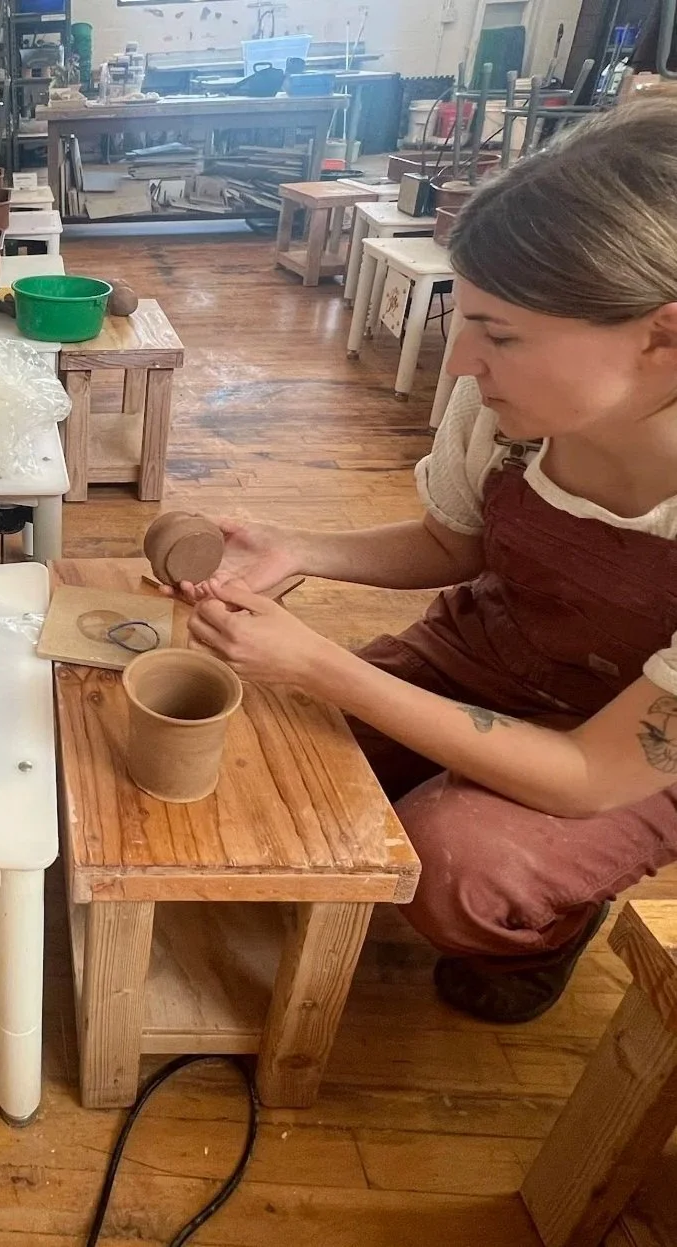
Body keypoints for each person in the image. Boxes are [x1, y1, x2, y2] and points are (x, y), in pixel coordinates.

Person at [183, 97, 677, 1025]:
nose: (459, 363)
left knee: (457, 862)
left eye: (501, 333)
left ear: (661, 335)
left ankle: (545, 928)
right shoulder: (506, 412)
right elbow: (456, 542)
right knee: (271, 755)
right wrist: (302, 548)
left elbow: (591, 772)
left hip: (625, 751)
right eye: (467, 319)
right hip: (486, 656)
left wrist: (318, 664)